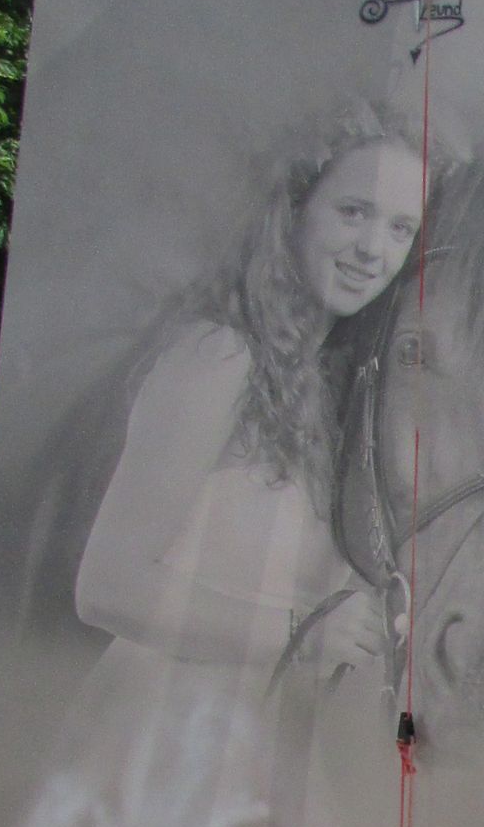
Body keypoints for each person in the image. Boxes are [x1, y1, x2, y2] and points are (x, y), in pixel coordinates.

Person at [75, 111, 427, 677]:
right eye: (353, 212)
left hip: (264, 737)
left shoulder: (333, 389)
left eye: (400, 228)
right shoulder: (219, 356)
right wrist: (303, 636)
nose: (372, 250)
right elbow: (107, 588)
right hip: (161, 732)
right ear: (294, 208)